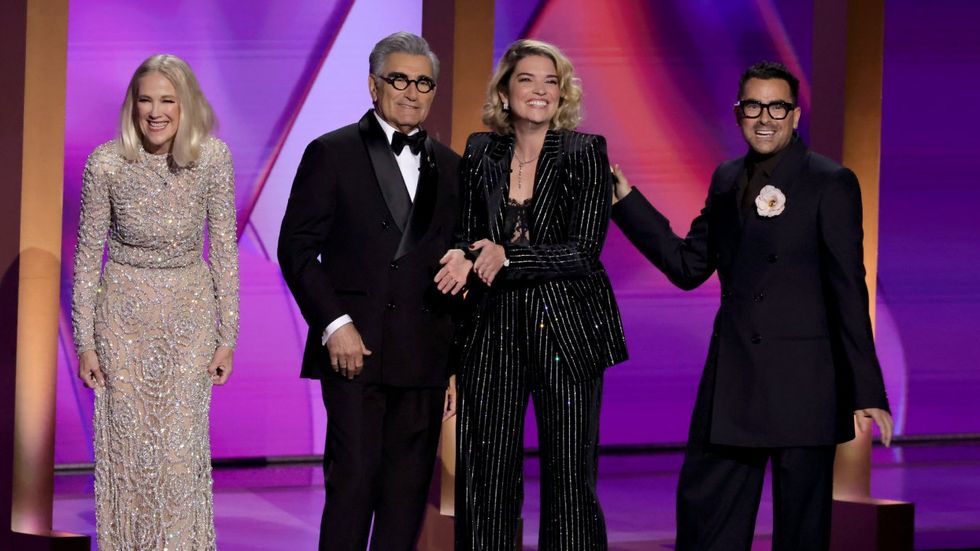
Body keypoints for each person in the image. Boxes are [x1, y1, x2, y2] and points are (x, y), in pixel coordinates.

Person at [610, 61, 893, 550]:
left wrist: (867, 388)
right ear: (739, 113)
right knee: (707, 520)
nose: (766, 117)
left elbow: (849, 288)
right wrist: (627, 201)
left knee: (801, 533)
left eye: (777, 106)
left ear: (795, 114)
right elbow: (688, 265)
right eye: (753, 106)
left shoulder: (830, 181)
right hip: (734, 383)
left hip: (804, 386)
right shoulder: (725, 179)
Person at [435, 39, 628, 550]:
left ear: (562, 93)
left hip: (567, 330)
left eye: (550, 81)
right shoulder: (481, 149)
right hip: (493, 329)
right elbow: (470, 231)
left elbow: (583, 252)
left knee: (569, 480)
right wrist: (459, 252)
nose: (539, 91)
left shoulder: (586, 151)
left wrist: (507, 257)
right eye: (527, 79)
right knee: (486, 478)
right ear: (504, 90)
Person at [277, 32, 463, 550]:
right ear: (373, 85)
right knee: (353, 486)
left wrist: (452, 364)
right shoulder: (332, 152)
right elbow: (295, 249)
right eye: (398, 79)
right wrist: (333, 324)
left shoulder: (451, 167)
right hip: (353, 354)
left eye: (422, 82)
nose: (410, 91)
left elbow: (457, 263)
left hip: (422, 357)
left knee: (406, 499)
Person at [72, 54, 238, 550]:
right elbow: (86, 258)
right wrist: (85, 343)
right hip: (122, 321)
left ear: (186, 105)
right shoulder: (105, 164)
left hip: (189, 321)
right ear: (132, 105)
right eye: (146, 99)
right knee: (128, 452)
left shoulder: (213, 159)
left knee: (177, 452)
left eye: (167, 99)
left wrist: (228, 337)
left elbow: (225, 252)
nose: (156, 111)